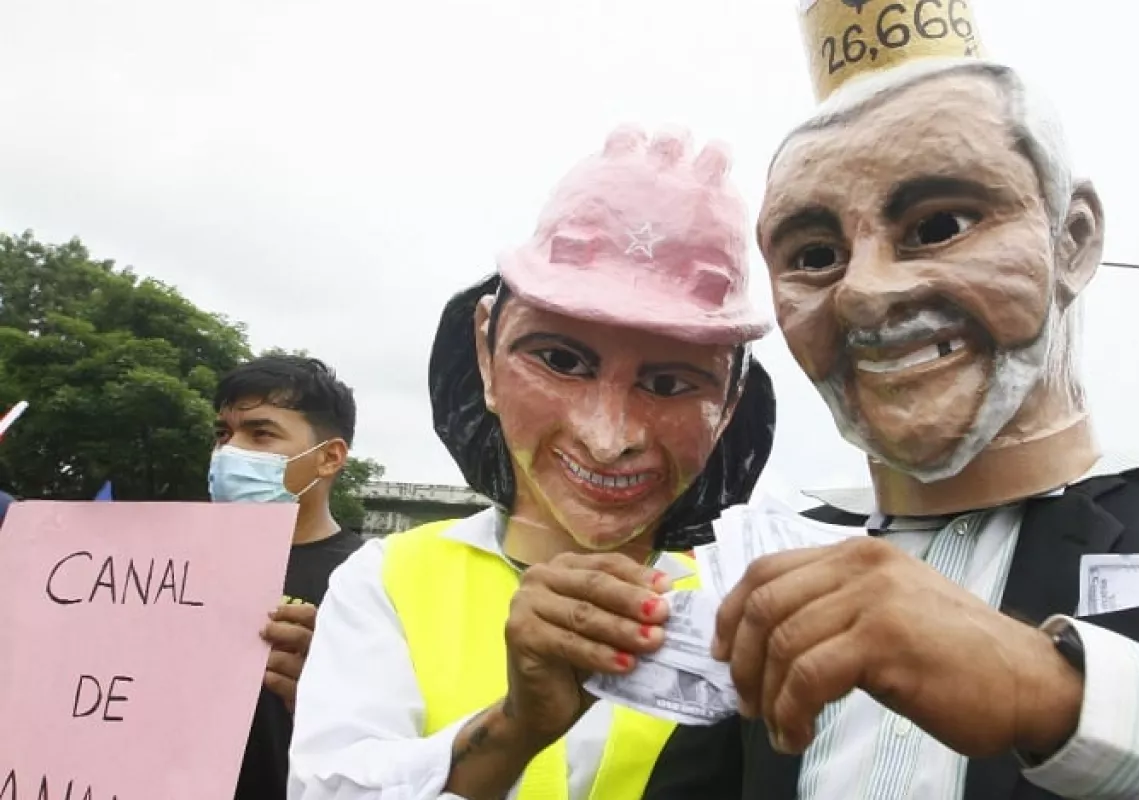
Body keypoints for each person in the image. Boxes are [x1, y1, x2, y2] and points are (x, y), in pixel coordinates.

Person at [646, 3, 1139, 799]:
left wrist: (1053, 692)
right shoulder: (778, 566)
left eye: (940, 224)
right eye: (815, 255)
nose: (864, 292)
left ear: (1072, 240)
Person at [287, 125, 777, 800]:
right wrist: (516, 727)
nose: (609, 439)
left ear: (728, 404)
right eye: (560, 360)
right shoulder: (389, 581)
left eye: (669, 385)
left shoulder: (749, 611)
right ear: (486, 350)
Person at [210, 354, 365, 800]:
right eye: (223, 434)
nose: (229, 452)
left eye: (261, 434)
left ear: (329, 458)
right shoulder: (173, 569)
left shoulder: (372, 582)